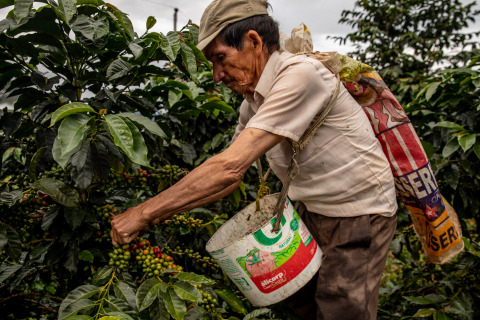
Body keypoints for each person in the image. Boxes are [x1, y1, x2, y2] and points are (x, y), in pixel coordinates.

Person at [111, 0, 398, 319]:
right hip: (309, 210)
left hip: (357, 213)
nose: (217, 76)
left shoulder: (301, 76)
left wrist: (142, 213)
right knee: (300, 302)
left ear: (253, 41)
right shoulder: (254, 102)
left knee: (340, 309)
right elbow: (228, 178)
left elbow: (228, 167)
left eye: (221, 59)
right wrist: (156, 215)